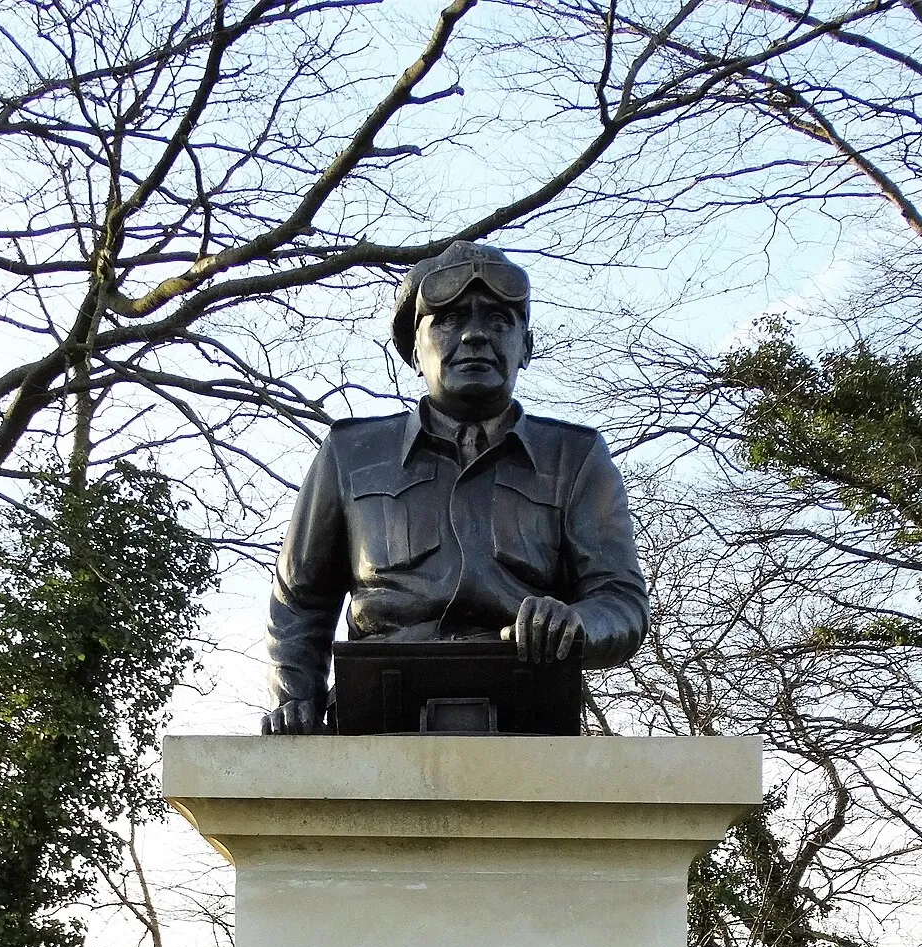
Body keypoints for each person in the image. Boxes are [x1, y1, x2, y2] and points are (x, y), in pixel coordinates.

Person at [264, 241, 649, 733]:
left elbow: (620, 599)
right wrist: (297, 699)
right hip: (376, 715)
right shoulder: (350, 452)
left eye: (498, 320)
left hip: (528, 717)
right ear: (412, 348)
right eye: (447, 320)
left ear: (526, 347)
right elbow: (300, 597)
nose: (473, 335)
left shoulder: (575, 458)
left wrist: (576, 624)